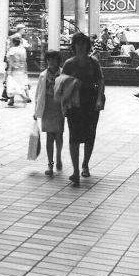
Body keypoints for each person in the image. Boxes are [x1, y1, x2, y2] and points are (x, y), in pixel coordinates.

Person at [61, 33, 104, 185]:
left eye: (83, 43)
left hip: (91, 102)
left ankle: (85, 164)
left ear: (87, 45)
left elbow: (100, 80)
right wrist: (63, 105)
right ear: (74, 46)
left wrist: (99, 98)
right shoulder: (69, 63)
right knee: (74, 136)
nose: (80, 46)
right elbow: (62, 84)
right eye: (77, 43)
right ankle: (75, 170)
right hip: (74, 103)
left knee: (89, 135)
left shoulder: (94, 62)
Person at [34, 50, 64, 176]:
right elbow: (38, 94)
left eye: (53, 59)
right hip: (47, 108)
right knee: (49, 137)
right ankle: (50, 164)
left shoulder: (63, 74)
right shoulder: (43, 75)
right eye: (49, 59)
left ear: (58, 61)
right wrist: (36, 111)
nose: (51, 62)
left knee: (58, 135)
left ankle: (58, 157)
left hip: (59, 108)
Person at [4, 36, 29, 106]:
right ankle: (11, 100)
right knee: (19, 85)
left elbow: (11, 61)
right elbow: (24, 61)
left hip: (14, 70)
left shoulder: (12, 50)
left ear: (13, 42)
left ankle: (22, 97)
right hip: (21, 70)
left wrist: (9, 70)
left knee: (12, 85)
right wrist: (25, 70)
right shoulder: (23, 50)